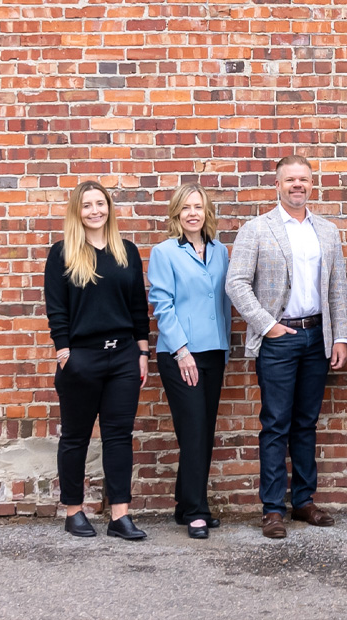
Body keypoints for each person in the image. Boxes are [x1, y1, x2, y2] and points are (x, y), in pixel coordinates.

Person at [226, 155, 347, 539]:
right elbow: (236, 283)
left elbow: (336, 289)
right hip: (279, 339)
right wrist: (269, 326)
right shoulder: (257, 229)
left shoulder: (326, 231)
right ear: (277, 185)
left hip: (317, 337)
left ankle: (304, 501)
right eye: (291, 179)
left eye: (305, 180)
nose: (298, 185)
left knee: (306, 423)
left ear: (313, 185)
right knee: (275, 424)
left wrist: (341, 336)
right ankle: (272, 508)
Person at [44, 181, 150, 540]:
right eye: (87, 205)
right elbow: (56, 309)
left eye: (100, 204)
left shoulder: (127, 252)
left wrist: (142, 352)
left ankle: (120, 515)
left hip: (123, 356)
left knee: (119, 436)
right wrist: (64, 354)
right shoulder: (62, 253)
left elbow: (138, 307)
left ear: (109, 208)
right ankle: (74, 511)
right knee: (75, 437)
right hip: (81, 359)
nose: (94, 211)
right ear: (77, 211)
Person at [148, 183, 232, 539]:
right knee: (194, 430)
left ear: (206, 212)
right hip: (180, 354)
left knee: (202, 432)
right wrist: (182, 351)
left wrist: (225, 348)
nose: (192, 213)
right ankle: (197, 511)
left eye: (198, 207)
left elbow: (224, 302)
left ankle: (185, 504)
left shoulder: (220, 251)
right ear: (176, 214)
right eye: (186, 208)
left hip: (213, 352)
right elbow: (162, 305)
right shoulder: (164, 252)